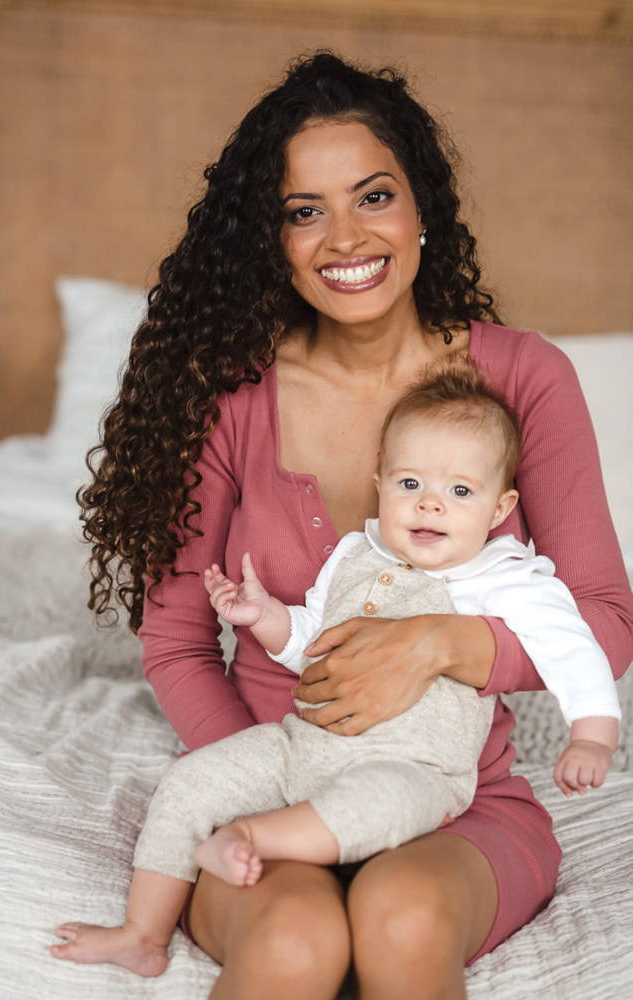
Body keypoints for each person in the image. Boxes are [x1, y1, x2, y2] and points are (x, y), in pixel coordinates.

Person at [51, 52, 632, 1000]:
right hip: (275, 780)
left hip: (452, 794)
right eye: (303, 210)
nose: (345, 237)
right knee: (293, 943)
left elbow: (604, 617)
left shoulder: (524, 379)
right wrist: (267, 778)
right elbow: (178, 638)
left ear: (420, 207)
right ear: (269, 238)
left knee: (402, 920)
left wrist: (439, 644)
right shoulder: (230, 397)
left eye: (373, 196)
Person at [49, 365, 621, 978]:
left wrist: (592, 735)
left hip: (415, 768)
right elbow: (310, 645)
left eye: (460, 491)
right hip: (304, 747)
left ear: (501, 507)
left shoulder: (505, 578)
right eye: (410, 483)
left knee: (377, 803)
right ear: (380, 484)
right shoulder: (355, 556)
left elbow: (574, 647)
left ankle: (254, 836)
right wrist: (266, 617)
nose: (430, 503)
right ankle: (142, 933)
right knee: (193, 781)